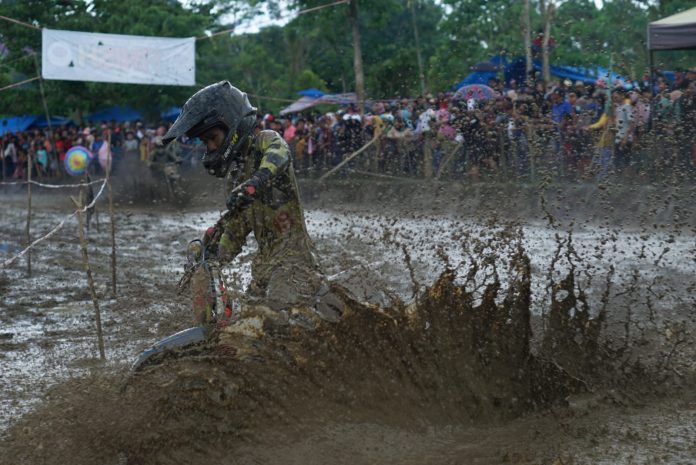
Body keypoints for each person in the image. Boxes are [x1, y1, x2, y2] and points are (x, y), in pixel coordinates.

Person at [162, 81, 343, 328]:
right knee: (247, 318)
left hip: (295, 263)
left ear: (231, 124)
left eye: (213, 138)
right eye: (206, 143)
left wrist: (253, 184)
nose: (211, 147)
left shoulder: (266, 142)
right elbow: (235, 232)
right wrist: (211, 257)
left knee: (270, 321)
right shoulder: (235, 179)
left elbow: (279, 156)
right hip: (264, 270)